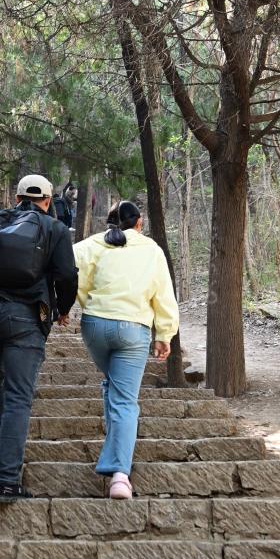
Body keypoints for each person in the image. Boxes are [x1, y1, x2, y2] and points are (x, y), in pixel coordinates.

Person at [0, 172, 77, 501]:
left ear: (17, 197)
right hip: (26, 317)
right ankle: (8, 480)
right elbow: (66, 274)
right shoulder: (55, 228)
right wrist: (63, 309)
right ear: (47, 201)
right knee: (19, 396)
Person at [73, 200, 178, 500]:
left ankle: (113, 450)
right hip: (133, 328)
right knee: (125, 400)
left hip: (95, 325)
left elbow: (71, 272)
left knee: (114, 385)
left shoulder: (91, 245)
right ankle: (120, 475)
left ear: (110, 222)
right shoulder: (152, 249)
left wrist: (86, 302)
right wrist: (165, 334)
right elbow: (163, 293)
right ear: (139, 222)